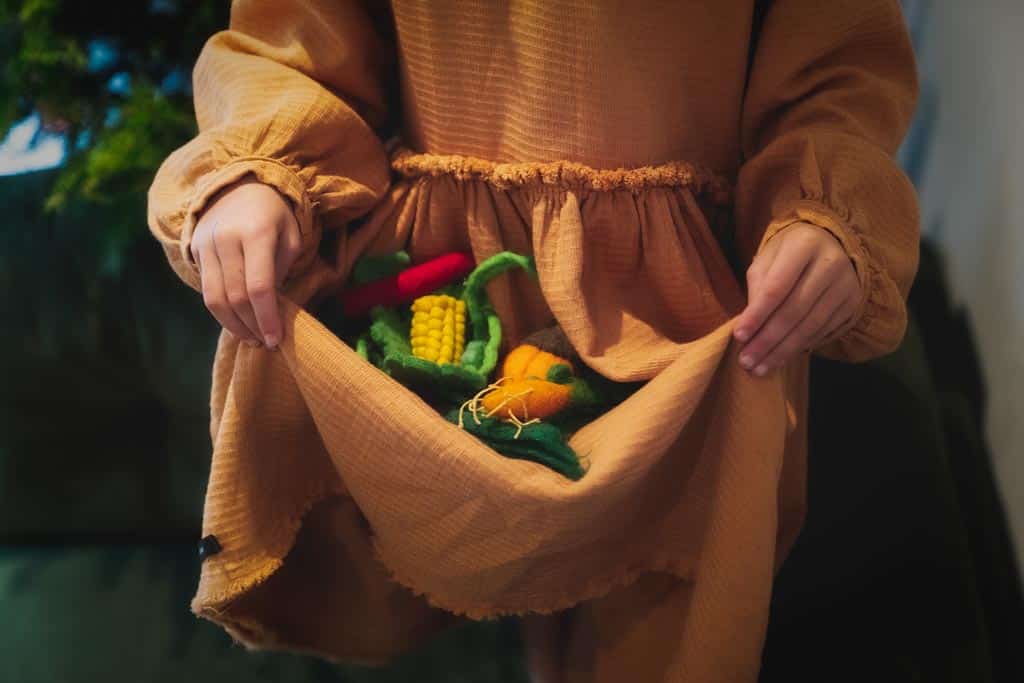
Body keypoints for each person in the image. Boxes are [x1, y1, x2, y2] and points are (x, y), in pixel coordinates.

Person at [147, 2, 920, 681]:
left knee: (654, 626)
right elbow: (300, 37)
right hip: (439, 275)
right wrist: (253, 172)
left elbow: (835, 64)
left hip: (680, 314)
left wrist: (826, 206)